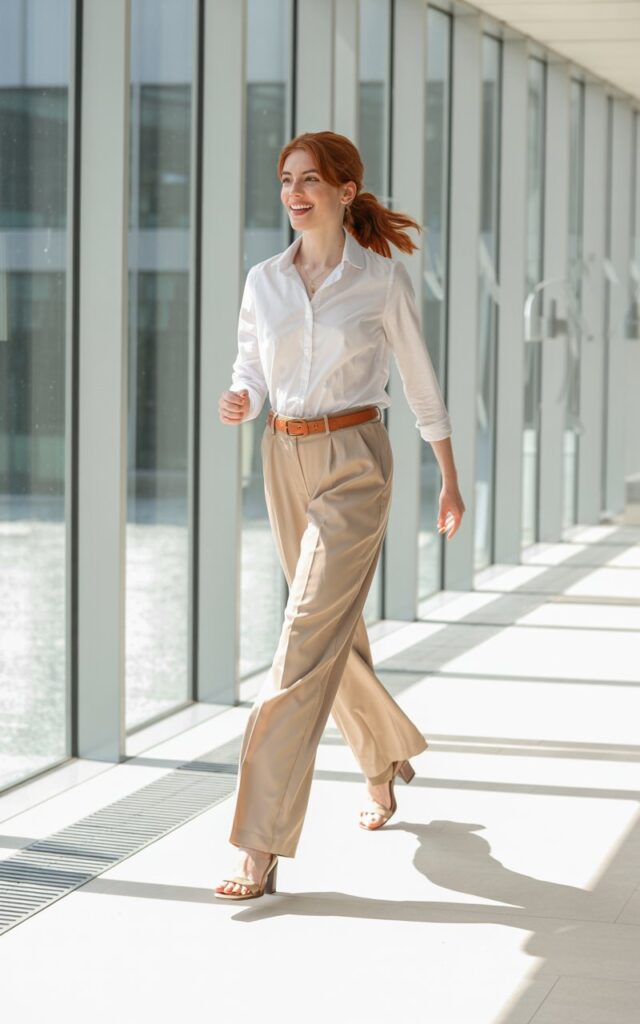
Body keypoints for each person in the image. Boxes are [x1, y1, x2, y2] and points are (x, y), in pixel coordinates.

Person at [215, 130, 465, 900]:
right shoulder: (264, 280)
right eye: (286, 179)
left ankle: (259, 842)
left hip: (356, 460)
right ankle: (383, 758)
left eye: (310, 180)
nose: (294, 193)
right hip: (282, 457)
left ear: (345, 191)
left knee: (300, 642)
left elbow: (419, 382)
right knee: (332, 634)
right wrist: (242, 397)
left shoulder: (380, 279)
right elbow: (251, 363)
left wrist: (450, 479)